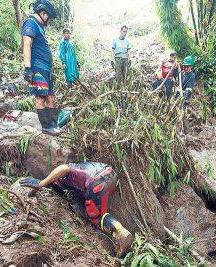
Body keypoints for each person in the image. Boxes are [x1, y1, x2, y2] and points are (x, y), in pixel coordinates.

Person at [20, 162, 134, 257]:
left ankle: (122, 234)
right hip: (109, 175)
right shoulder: (78, 171)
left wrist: (40, 184)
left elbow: (63, 168)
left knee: (95, 216)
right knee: (100, 213)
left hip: (96, 181)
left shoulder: (64, 173)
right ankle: (120, 237)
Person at [21, 0, 62, 135]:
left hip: (46, 68)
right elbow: (27, 44)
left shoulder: (40, 27)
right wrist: (28, 68)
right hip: (37, 67)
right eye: (49, 17)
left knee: (51, 97)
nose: (49, 21)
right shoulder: (31, 23)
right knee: (40, 97)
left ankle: (53, 125)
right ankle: (46, 127)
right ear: (44, 13)